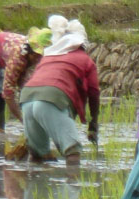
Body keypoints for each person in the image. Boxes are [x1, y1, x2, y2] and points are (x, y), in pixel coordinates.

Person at [18, 16, 99, 166]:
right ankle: (73, 187)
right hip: (51, 99)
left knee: (37, 156)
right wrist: (93, 123)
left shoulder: (48, 57)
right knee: (72, 152)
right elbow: (94, 93)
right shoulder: (85, 60)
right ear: (81, 42)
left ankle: (34, 185)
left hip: (27, 98)